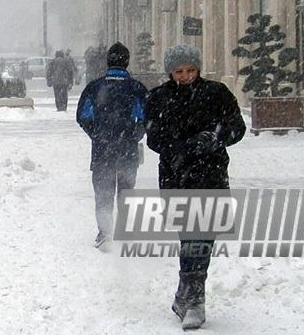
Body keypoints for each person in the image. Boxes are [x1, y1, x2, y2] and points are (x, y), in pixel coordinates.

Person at [144, 44, 246, 330]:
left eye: (190, 70)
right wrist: (182, 146)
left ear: (198, 69)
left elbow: (237, 126)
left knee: (203, 237)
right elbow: (153, 138)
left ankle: (190, 297)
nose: (186, 76)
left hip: (211, 174)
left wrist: (216, 138)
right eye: (179, 72)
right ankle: (189, 296)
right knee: (190, 237)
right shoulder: (158, 98)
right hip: (176, 177)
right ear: (170, 73)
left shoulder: (216, 93)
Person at [76, 42, 149, 250]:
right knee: (126, 192)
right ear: (127, 62)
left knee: (103, 194)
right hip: (127, 150)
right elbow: (147, 117)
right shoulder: (136, 88)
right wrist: (134, 135)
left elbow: (83, 116)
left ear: (107, 62)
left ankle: (105, 233)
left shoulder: (94, 87)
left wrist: (97, 135)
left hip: (102, 151)